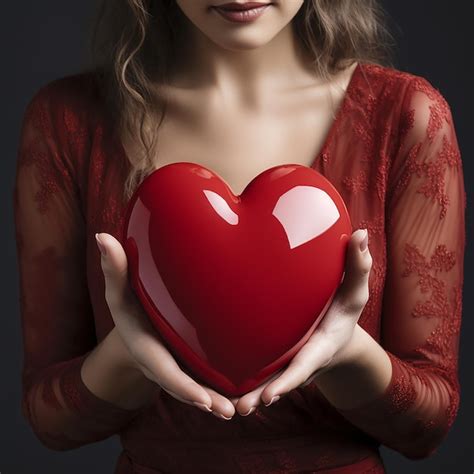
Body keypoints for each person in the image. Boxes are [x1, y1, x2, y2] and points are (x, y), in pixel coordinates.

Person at [13, 1, 466, 473]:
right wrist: (127, 357)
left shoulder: (406, 118)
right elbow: (51, 422)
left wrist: (346, 352)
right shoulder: (67, 121)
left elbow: (428, 425)